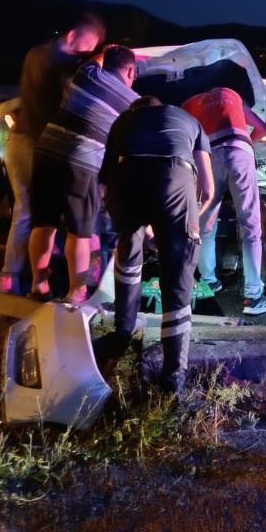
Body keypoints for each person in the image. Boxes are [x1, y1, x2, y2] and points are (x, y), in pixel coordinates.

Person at [100, 96, 214, 396]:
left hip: (125, 180)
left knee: (129, 252)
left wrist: (141, 224)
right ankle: (172, 380)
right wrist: (178, 225)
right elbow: (209, 189)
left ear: (136, 110)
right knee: (177, 281)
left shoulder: (123, 121)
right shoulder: (188, 119)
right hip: (174, 178)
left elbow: (105, 182)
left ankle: (121, 334)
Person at [0, 15, 104, 294]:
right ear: (72, 36)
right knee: (31, 212)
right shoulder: (48, 59)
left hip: (27, 142)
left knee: (33, 213)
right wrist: (96, 62)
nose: (88, 51)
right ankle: (16, 276)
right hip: (31, 144)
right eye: (88, 44)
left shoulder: (41, 57)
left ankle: (20, 276)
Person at [28, 44, 138, 304]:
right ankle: (76, 292)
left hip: (45, 153)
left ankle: (38, 286)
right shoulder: (131, 102)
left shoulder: (87, 74)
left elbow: (97, 60)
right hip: (82, 162)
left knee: (43, 224)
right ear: (131, 70)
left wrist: (107, 50)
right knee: (80, 232)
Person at [182, 86, 266, 316]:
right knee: (250, 226)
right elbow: (263, 130)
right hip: (238, 150)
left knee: (205, 221)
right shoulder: (232, 94)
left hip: (208, 156)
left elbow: (184, 138)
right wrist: (247, 142)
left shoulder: (190, 102)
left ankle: (208, 281)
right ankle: (253, 296)